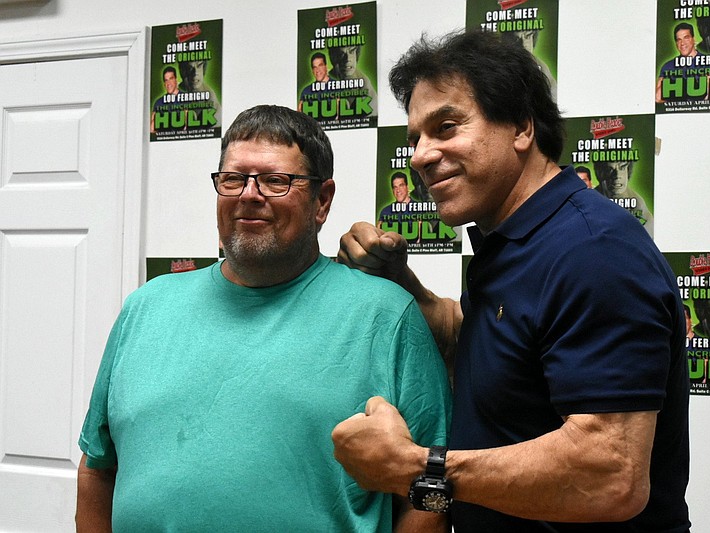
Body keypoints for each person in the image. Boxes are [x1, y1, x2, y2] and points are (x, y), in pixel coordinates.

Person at [332, 30, 690, 532]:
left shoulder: (592, 250)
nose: (419, 155)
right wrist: (401, 283)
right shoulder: (516, 237)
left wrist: (417, 468)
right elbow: (482, 343)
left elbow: (611, 473)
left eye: (446, 127)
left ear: (522, 128)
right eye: (415, 138)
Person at [76, 105, 451, 532]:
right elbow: (97, 466)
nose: (249, 194)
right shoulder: (145, 307)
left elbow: (428, 493)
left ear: (322, 201)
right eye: (233, 179)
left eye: (276, 181)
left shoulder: (387, 315)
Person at [594, 160, 654, 237]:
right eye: (610, 169)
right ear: (601, 173)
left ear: (628, 170)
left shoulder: (638, 204)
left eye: (622, 168)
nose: (617, 175)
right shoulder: (591, 200)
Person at [656, 22, 708, 103]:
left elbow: (709, 96)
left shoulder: (707, 62)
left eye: (686, 38)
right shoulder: (668, 67)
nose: (682, 43)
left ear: (693, 39)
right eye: (679, 40)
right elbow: (658, 98)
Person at [328, 44, 377, 118]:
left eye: (351, 52)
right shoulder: (325, 81)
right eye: (341, 54)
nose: (348, 59)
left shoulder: (364, 83)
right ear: (333, 57)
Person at [177, 59, 221, 123]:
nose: (195, 73)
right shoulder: (175, 92)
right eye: (190, 68)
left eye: (199, 66)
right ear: (182, 71)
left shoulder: (210, 98)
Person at [150, 66, 181, 134]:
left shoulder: (187, 98)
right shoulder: (159, 103)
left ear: (176, 80)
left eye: (171, 79)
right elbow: (151, 129)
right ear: (164, 83)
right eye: (166, 80)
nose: (168, 83)